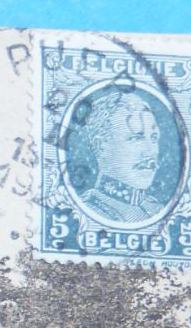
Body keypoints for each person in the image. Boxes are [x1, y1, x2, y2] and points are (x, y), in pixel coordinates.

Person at [70, 89, 168, 226]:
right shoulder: (88, 211)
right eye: (136, 138)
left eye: (154, 137)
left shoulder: (158, 210)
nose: (149, 151)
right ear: (100, 146)